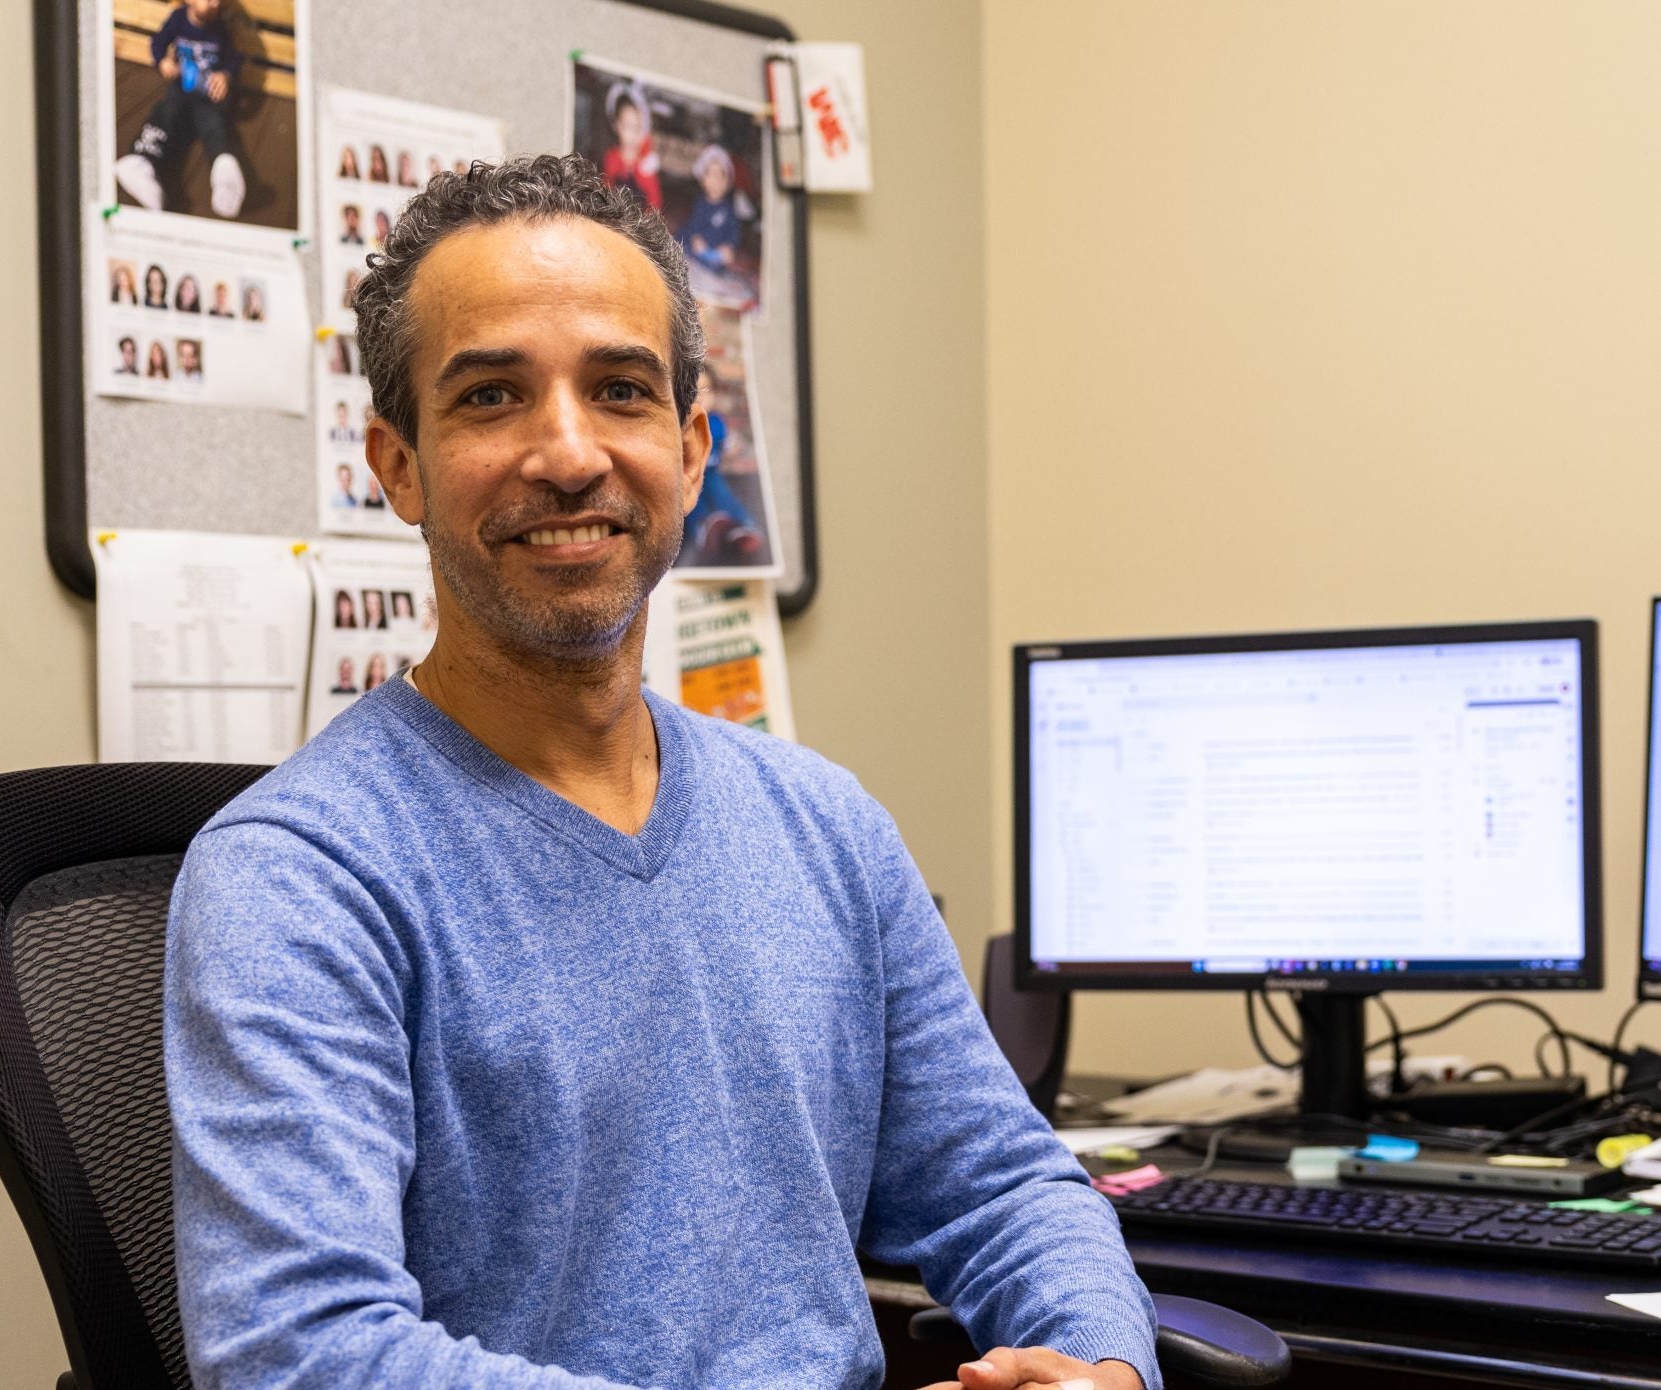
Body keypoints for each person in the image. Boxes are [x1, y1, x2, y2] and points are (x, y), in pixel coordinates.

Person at [165, 152, 1156, 1390]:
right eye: (490, 398)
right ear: (399, 462)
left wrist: (1101, 1361)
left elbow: (1003, 1182)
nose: (568, 454)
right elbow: (296, 1357)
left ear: (691, 449)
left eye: (621, 391)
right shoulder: (298, 879)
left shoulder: (824, 824)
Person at [112, 0, 249, 219]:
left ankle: (225, 174)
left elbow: (234, 59)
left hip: (207, 98)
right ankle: (141, 162)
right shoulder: (177, 19)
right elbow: (158, 43)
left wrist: (225, 75)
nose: (216, 4)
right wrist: (163, 62)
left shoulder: (220, 27)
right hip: (180, 90)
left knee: (214, 124)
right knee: (164, 114)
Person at [679, 363, 768, 567]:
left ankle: (745, 527)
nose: (699, 397)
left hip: (711, 473)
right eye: (693, 391)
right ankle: (704, 529)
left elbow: (728, 444)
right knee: (692, 500)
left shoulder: (717, 422)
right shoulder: (682, 424)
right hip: (690, 475)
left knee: (723, 494)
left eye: (706, 391)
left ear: (716, 396)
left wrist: (734, 449)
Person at [678, 144, 747, 275]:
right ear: (703, 180)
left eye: (721, 177)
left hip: (716, 249)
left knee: (723, 261)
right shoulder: (700, 204)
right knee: (683, 248)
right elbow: (693, 225)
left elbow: (734, 232)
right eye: (712, 176)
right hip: (698, 246)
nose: (717, 182)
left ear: (728, 182)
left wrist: (729, 246)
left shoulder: (729, 209)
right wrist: (696, 238)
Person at [600, 81, 662, 208]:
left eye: (638, 127)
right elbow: (604, 191)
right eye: (628, 126)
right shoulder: (611, 158)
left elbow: (655, 203)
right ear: (616, 126)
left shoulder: (646, 166)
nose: (634, 133)